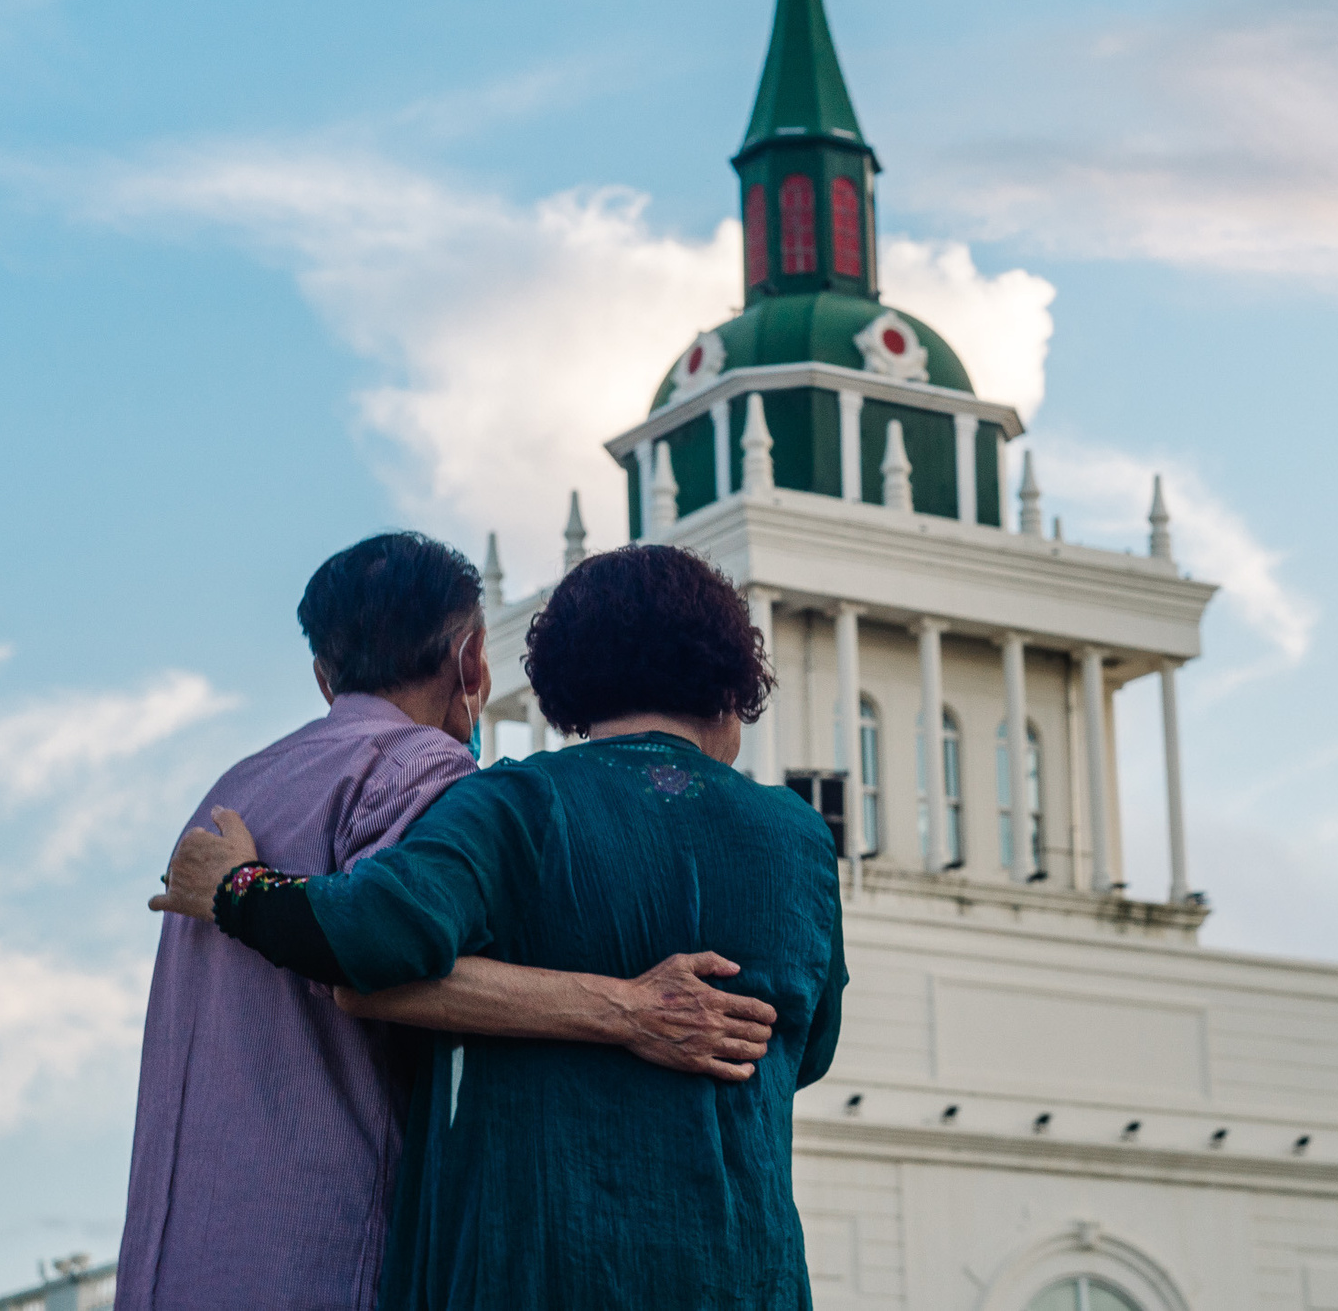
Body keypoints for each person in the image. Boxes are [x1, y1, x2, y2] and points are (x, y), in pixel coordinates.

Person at [155, 541, 847, 1310]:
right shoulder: (799, 837)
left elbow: (371, 934)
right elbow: (809, 1048)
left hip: (541, 1261)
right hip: (747, 1275)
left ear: (567, 676)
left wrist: (237, 887)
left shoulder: (519, 801)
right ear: (729, 681)